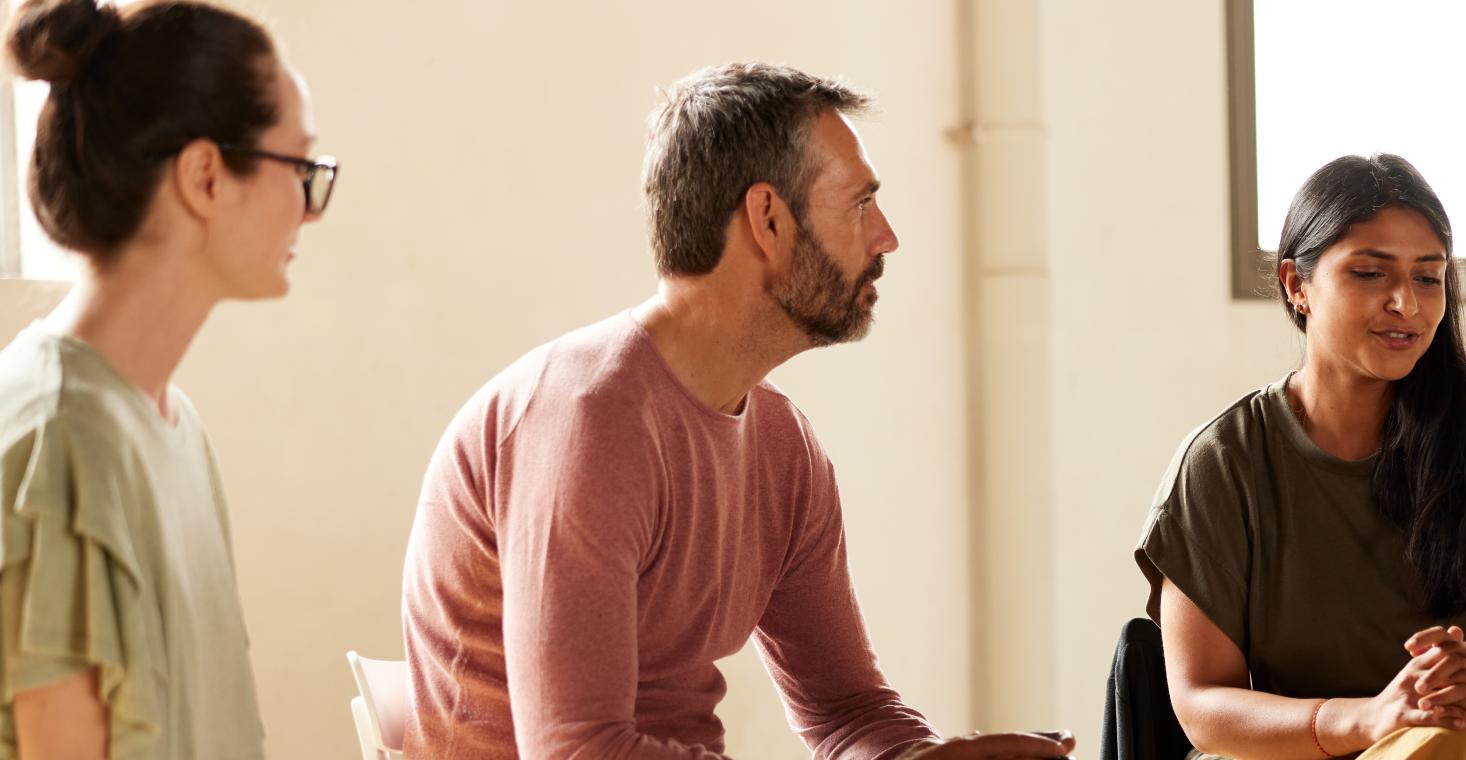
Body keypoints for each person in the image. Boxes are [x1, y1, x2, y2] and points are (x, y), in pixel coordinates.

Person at [399, 62, 1070, 760]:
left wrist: (926, 759)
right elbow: (577, 752)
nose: (887, 237)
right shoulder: (587, 422)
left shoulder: (783, 446)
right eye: (861, 205)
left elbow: (846, 713)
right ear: (768, 220)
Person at [1137, 154, 1466, 759]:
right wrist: (1369, 720)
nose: (1405, 304)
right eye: (1369, 273)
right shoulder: (1225, 462)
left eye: (1427, 277)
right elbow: (1203, 705)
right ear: (1295, 285)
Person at [0, 0, 333, 756]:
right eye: (301, 165)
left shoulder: (171, 424)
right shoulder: (61, 442)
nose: (309, 209)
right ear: (206, 176)